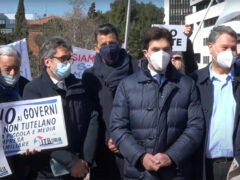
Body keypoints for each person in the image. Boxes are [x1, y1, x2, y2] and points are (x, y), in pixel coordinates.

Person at [109, 27, 204, 180]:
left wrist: (171, 156)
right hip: (138, 172)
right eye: (155, 49)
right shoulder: (127, 85)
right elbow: (117, 127)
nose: (161, 54)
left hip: (176, 172)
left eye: (166, 49)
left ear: (172, 51)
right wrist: (140, 156)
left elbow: (195, 127)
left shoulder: (187, 85)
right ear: (145, 53)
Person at [23, 36, 98, 180]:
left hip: (80, 167)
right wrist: (71, 162)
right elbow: (39, 134)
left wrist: (85, 160)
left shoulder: (80, 86)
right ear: (47, 62)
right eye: (63, 59)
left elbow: (92, 120)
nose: (67, 63)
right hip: (47, 171)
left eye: (69, 58)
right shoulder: (33, 89)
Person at [82, 23, 139, 180]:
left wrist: (124, 137)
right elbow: (92, 115)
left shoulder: (138, 70)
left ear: (120, 44)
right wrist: (108, 137)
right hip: (104, 151)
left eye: (112, 43)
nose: (109, 47)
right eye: (104, 44)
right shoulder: (89, 77)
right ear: (96, 48)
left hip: (134, 148)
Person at [190, 25, 239, 180]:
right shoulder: (194, 81)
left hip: (236, 165)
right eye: (224, 47)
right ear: (210, 47)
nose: (229, 53)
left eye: (233, 48)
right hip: (203, 165)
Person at [0, 46, 29, 179]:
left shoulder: (27, 87)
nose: (12, 73)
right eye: (7, 69)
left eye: (16, 68)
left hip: (23, 162)